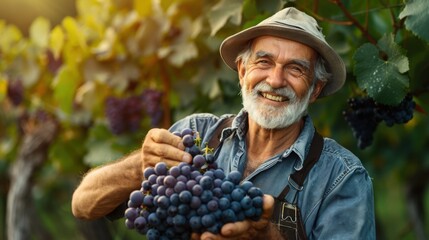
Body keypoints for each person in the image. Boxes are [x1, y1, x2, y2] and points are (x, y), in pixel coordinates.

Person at [72, 7, 376, 240]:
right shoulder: (195, 134)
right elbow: (83, 205)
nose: (275, 80)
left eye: (295, 69)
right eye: (264, 62)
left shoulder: (342, 178)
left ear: (315, 89)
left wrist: (268, 236)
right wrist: (140, 165)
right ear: (242, 71)